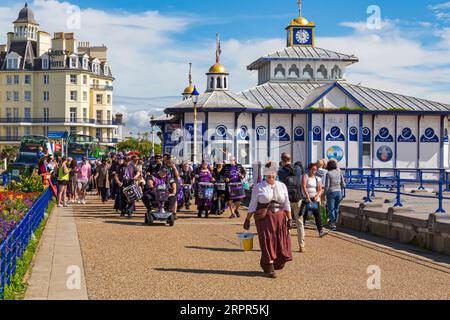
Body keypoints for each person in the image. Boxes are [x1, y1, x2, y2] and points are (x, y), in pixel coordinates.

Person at [244, 161, 293, 278]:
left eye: (273, 174)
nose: (271, 177)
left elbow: (286, 203)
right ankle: (269, 265)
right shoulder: (259, 186)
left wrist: (290, 218)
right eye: (268, 175)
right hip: (265, 217)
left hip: (280, 217)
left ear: (276, 174)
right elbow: (253, 203)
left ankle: (268, 261)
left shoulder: (282, 186)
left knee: (281, 241)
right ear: (265, 175)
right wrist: (247, 219)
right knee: (268, 240)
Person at [277, 153, 306, 253]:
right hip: (298, 198)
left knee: (286, 222)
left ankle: (287, 245)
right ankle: (301, 245)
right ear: (290, 159)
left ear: (282, 160)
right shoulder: (298, 168)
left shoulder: (281, 171)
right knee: (299, 222)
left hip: (286, 199)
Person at [301, 163, 327, 238]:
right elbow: (304, 186)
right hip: (306, 199)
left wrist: (317, 195)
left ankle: (320, 230)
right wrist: (308, 197)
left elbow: (320, 189)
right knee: (304, 215)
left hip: (315, 199)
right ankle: (301, 230)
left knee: (317, 214)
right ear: (309, 169)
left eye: (315, 170)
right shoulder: (305, 176)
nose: (314, 171)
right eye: (312, 169)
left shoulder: (317, 178)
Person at [325, 159, 345, 231]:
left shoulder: (328, 173)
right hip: (339, 192)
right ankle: (335, 221)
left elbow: (327, 186)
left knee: (331, 209)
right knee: (336, 208)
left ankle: (333, 224)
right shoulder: (339, 172)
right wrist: (341, 191)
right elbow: (343, 184)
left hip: (331, 192)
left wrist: (324, 194)